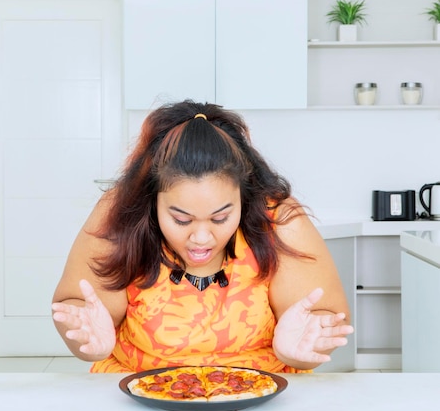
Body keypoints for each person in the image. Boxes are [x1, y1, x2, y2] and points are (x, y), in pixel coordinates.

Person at [51, 100, 354, 374]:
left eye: (220, 218)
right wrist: (87, 342)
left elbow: (321, 324)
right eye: (181, 219)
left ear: (245, 197)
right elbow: (78, 312)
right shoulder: (120, 212)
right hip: (136, 392)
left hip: (262, 394)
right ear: (152, 200)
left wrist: (301, 354)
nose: (201, 237)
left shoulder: (279, 219)